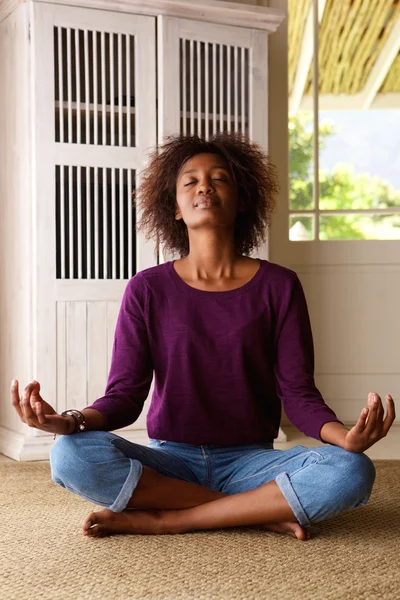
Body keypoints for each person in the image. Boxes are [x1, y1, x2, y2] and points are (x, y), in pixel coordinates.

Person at [11, 133, 395, 541]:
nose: (204, 186)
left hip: (253, 462)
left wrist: (346, 437)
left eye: (219, 178)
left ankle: (170, 518)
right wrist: (68, 421)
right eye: (190, 181)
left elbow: (299, 396)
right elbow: (123, 397)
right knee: (70, 455)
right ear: (174, 207)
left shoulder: (279, 286)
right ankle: (256, 513)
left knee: (352, 469)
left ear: (242, 199)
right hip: (171, 461)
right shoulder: (147, 289)